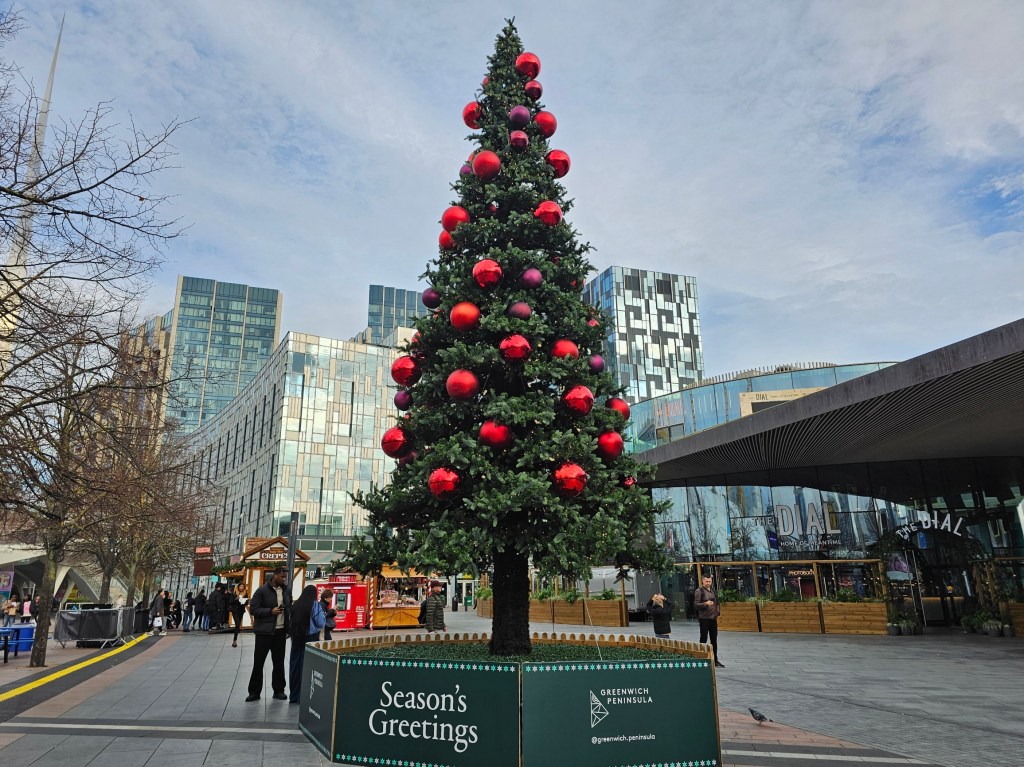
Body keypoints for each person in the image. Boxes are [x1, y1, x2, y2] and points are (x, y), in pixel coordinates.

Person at [246, 567, 291, 702]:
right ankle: (254, 692)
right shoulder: (262, 590)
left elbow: (289, 606)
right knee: (258, 663)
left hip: (280, 631)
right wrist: (270, 611)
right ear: (275, 576)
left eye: (285, 577)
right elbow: (253, 609)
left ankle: (279, 690)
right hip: (264, 632)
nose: (284, 579)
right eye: (282, 577)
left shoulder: (286, 590)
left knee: (279, 663)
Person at [288, 585, 325, 704]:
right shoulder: (315, 605)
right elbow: (320, 623)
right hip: (311, 638)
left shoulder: (296, 604)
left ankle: (293, 695)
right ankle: (303, 697)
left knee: (295, 665)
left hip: (296, 637)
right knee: (307, 666)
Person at [694, 575, 724, 667]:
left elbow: (717, 603)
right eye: (706, 581)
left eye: (710, 581)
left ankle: (715, 660)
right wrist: (705, 604)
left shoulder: (713, 591)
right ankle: (701, 658)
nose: (708, 583)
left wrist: (717, 612)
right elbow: (696, 605)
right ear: (703, 581)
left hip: (713, 618)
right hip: (704, 618)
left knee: (714, 639)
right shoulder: (699, 591)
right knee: (703, 638)